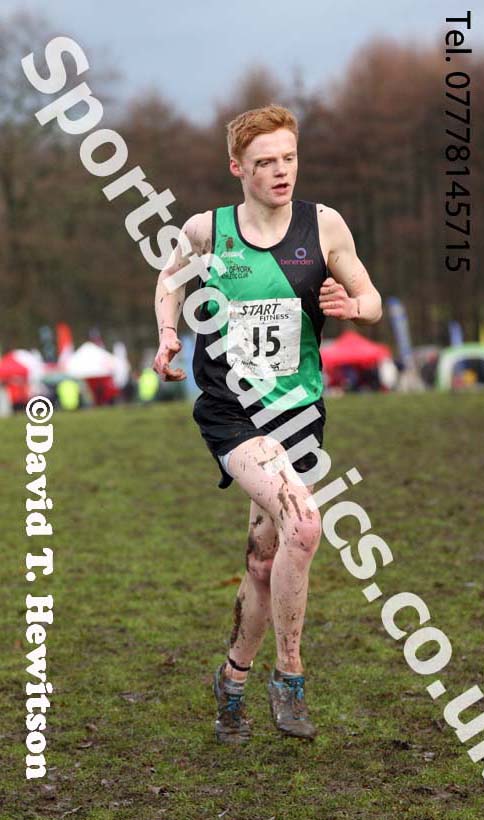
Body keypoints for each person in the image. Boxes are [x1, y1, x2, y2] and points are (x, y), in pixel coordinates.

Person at [153, 104, 382, 745]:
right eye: (264, 163)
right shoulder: (208, 230)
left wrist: (354, 307)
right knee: (305, 524)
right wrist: (168, 334)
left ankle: (231, 681)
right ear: (237, 169)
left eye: (288, 159)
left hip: (298, 415)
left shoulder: (324, 225)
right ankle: (290, 677)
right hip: (232, 412)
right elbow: (167, 281)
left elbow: (371, 296)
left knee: (263, 562)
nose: (280, 172)